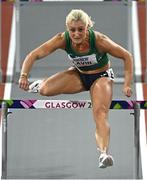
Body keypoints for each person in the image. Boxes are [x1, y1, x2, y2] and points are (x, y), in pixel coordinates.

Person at [19, 9, 133, 168]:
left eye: (81, 29)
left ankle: (103, 154)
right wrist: (24, 75)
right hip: (79, 75)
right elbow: (34, 54)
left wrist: (127, 83)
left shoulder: (99, 40)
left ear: (88, 27)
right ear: (67, 29)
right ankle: (42, 83)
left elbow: (126, 56)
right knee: (45, 90)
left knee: (100, 113)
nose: (77, 34)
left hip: (101, 77)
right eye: (72, 30)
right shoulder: (62, 39)